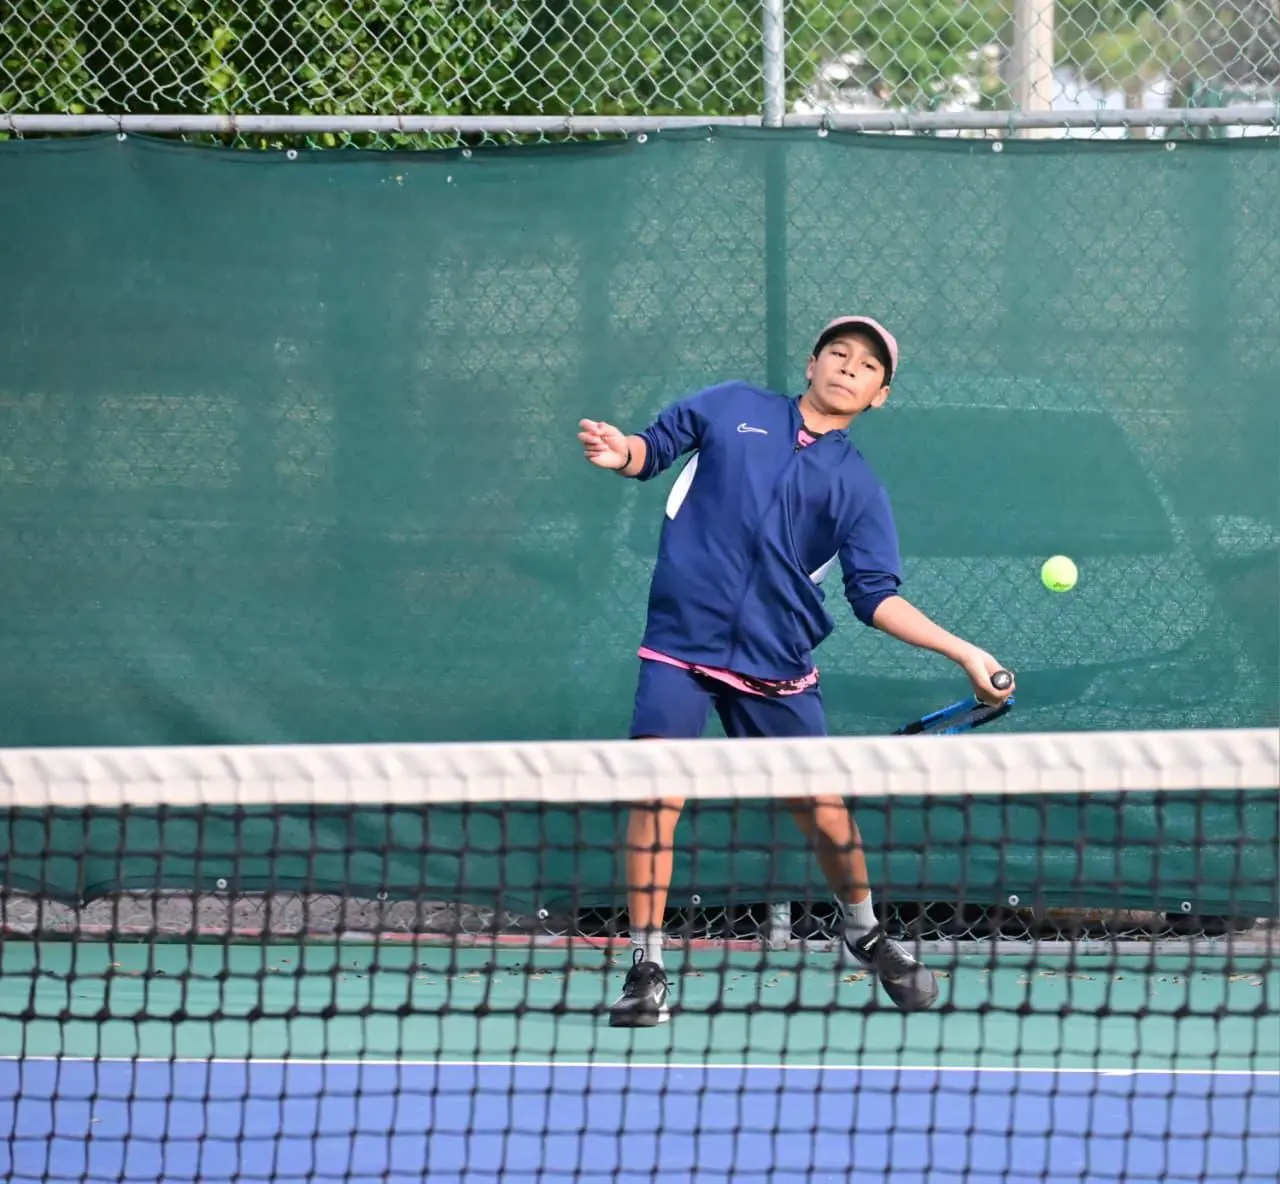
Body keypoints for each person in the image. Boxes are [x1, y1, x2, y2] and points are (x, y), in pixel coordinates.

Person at [577, 316, 1015, 1028]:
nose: (849, 367)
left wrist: (964, 651)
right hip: (681, 645)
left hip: (775, 662)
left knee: (823, 811)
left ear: (879, 396)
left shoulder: (859, 486)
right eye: (838, 353)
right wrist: (618, 450)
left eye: (867, 366)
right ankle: (646, 966)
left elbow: (876, 596)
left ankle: (863, 930)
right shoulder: (732, 407)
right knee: (655, 792)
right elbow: (649, 450)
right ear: (811, 363)